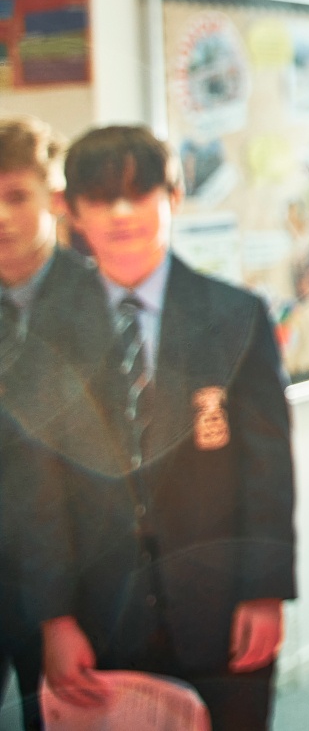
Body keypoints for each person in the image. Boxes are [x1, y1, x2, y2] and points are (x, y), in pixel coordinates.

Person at [3, 125, 295, 730]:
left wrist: (265, 591)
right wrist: (55, 620)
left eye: (139, 195)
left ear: (173, 198)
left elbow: (268, 472)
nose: (120, 214)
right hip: (99, 612)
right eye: (99, 198)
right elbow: (38, 491)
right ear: (72, 212)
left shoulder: (235, 315)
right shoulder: (51, 332)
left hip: (220, 604)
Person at [0, 117, 78, 731]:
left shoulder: (97, 297)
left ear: (52, 199)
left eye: (15, 197)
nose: (1, 216)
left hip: (66, 573)